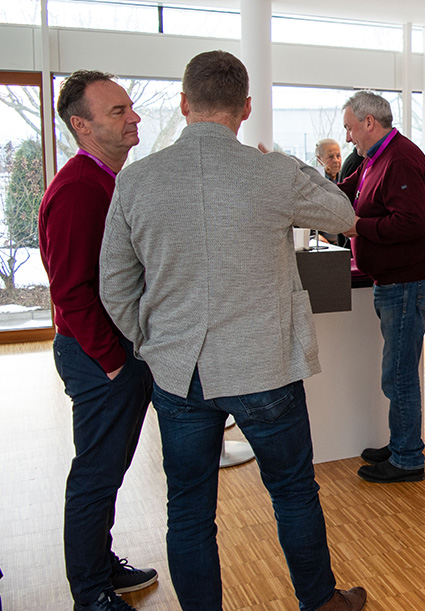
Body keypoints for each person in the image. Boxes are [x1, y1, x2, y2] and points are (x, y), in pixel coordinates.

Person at [98, 51, 365, 611]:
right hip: (265, 365)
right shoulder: (273, 172)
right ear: (245, 108)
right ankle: (319, 601)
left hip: (178, 374)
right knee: (293, 494)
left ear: (183, 103)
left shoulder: (136, 181)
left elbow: (115, 288)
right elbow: (343, 214)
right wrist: (295, 164)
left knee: (189, 511)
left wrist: (151, 343)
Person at [38, 70, 156, 611]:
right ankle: (90, 592)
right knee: (95, 474)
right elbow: (70, 291)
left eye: (130, 107)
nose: (133, 117)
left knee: (106, 470)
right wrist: (112, 362)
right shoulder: (79, 189)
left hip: (111, 352)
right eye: (117, 112)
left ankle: (99, 564)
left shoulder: (108, 180)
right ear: (82, 126)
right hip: (97, 357)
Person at [338, 91, 425, 484]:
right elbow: (345, 191)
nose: (348, 137)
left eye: (351, 127)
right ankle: (403, 441)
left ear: (370, 122)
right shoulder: (377, 158)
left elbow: (412, 223)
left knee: (398, 373)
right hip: (399, 279)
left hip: (409, 281)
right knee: (398, 370)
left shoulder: (399, 159)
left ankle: (407, 458)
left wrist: (358, 227)